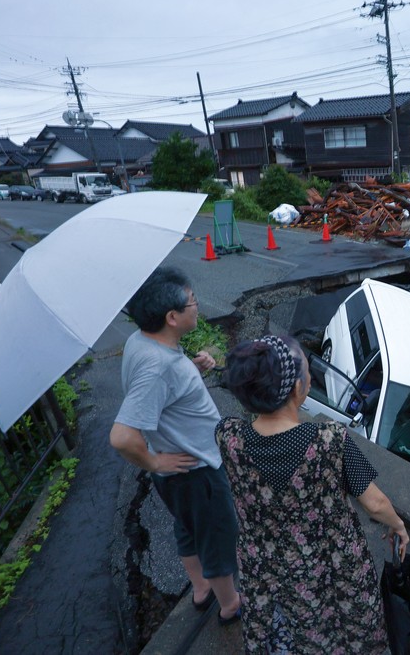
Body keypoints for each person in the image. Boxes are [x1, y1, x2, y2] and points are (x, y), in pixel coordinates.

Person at [216, 334, 410, 654]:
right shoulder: (329, 440)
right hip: (333, 562)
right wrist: (397, 525)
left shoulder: (228, 436)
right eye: (307, 371)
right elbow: (375, 504)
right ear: (297, 388)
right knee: (346, 628)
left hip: (266, 565)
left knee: (290, 634)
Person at [109, 266, 241, 624]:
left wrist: (192, 369)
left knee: (187, 527)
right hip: (195, 469)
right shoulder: (160, 366)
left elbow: (163, 389)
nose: (197, 307)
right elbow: (121, 436)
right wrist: (154, 463)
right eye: (192, 301)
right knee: (217, 535)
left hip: (177, 470)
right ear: (172, 317)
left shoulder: (142, 341)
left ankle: (200, 589)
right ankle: (230, 605)